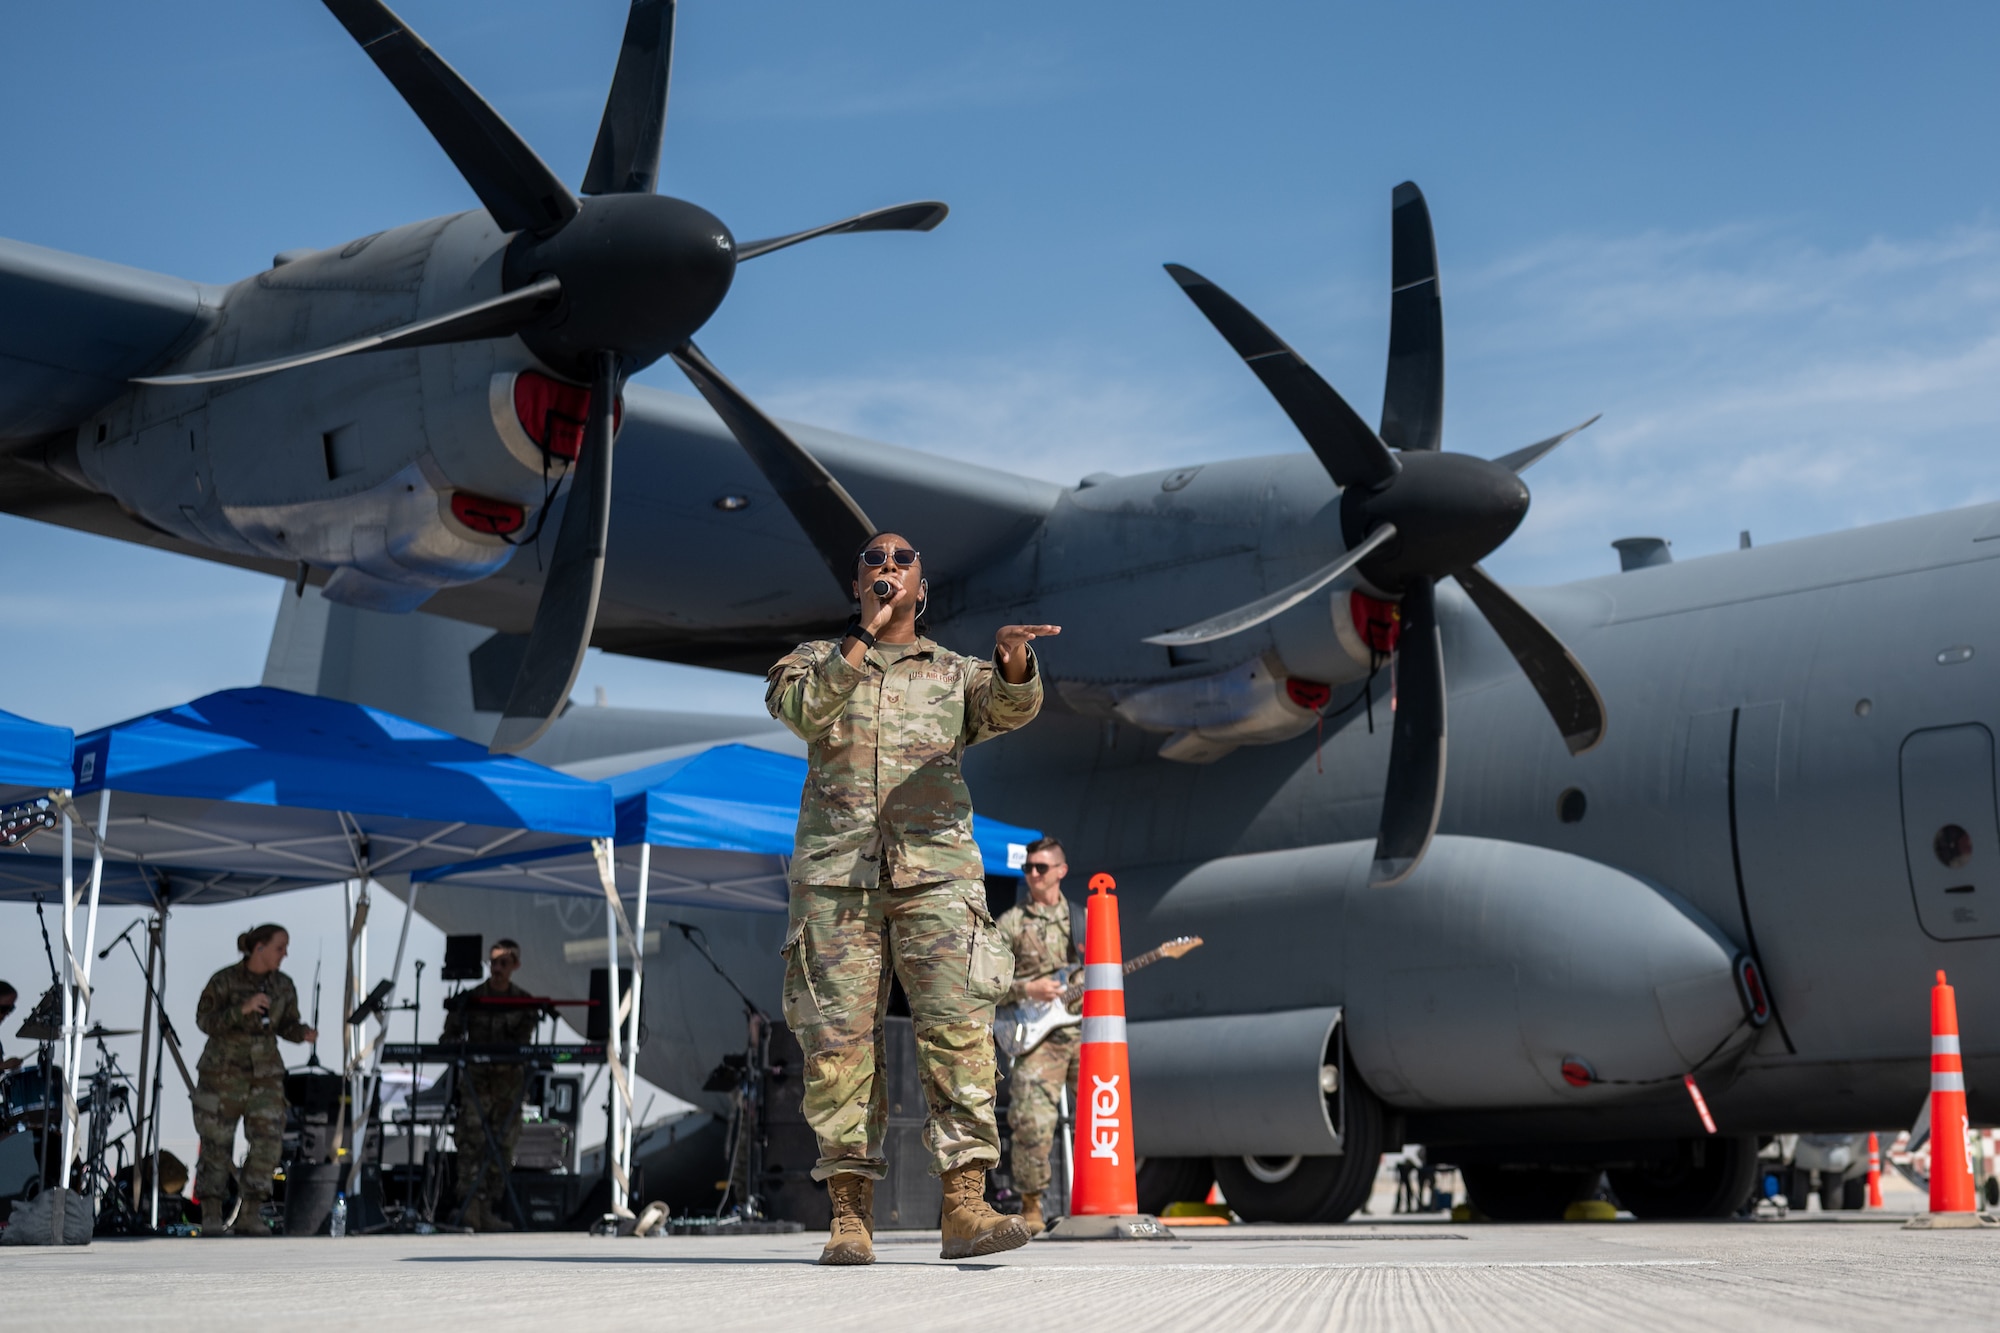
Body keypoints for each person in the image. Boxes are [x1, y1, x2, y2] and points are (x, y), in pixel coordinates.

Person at [767, 531, 1059, 1265]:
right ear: (857, 583)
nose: (888, 568)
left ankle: (964, 1206)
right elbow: (802, 711)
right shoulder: (812, 661)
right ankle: (850, 1215)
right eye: (874, 560)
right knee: (837, 1047)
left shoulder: (956, 674)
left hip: (936, 875)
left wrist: (1016, 661)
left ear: (921, 587)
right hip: (838, 880)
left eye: (903, 562)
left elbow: (1008, 706)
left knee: (958, 1036)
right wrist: (860, 636)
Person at [192, 924, 316, 1236]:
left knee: (269, 1142)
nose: (285, 954)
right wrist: (241, 1009)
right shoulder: (224, 980)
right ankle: (210, 1214)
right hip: (223, 1076)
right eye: (280, 947)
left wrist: (301, 1033)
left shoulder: (283, 986)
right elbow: (204, 1021)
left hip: (265, 1076)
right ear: (259, 947)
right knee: (216, 1144)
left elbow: (286, 1024)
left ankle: (250, 1212)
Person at [994, 836, 1082, 1236]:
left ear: (1061, 871)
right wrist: (1027, 990)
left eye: (1040, 868)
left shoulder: (1082, 919)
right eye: (1028, 868)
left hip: (1084, 1032)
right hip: (1038, 1037)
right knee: (1030, 1115)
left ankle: (1094, 1198)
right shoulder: (1012, 923)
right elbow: (987, 978)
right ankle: (1031, 1203)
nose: (1032, 874)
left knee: (1102, 1115)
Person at [441, 938, 540, 1232]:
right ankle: (469, 1208)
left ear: (515, 966)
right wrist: (456, 1042)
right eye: (493, 962)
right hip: (477, 1086)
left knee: (503, 1147)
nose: (497, 969)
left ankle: (485, 1209)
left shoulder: (524, 1002)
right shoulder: (470, 999)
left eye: (503, 963)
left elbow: (523, 1045)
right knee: (472, 1144)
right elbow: (449, 1035)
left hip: (508, 1088)